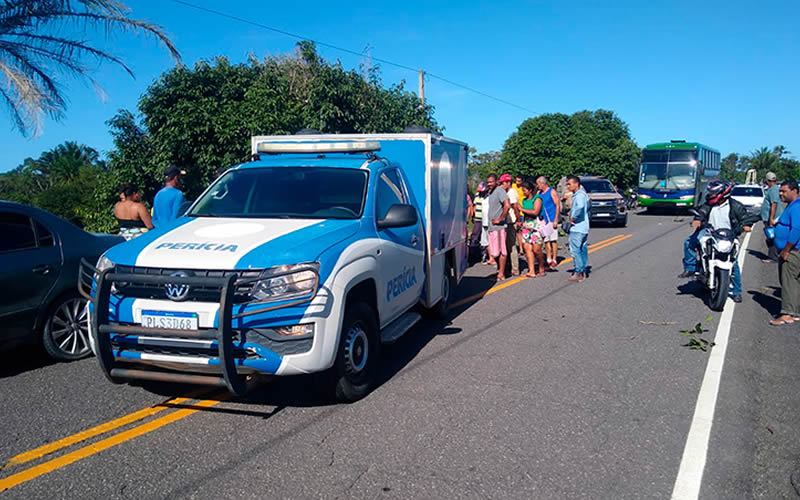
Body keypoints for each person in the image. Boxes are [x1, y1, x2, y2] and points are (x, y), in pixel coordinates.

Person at [679, 180, 756, 303]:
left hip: (729, 235)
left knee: (733, 263)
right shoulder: (709, 204)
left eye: (713, 193)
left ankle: (737, 291)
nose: (710, 195)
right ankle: (691, 267)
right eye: (710, 193)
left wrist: (746, 225)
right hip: (709, 232)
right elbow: (701, 212)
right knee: (689, 242)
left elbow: (745, 218)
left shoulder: (735, 205)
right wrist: (697, 220)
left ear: (722, 193)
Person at [769, 180, 800, 325]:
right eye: (780, 191)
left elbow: (797, 230)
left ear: (794, 191)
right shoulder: (792, 206)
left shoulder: (797, 206)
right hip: (791, 249)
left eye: (784, 191)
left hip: (793, 251)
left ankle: (787, 314)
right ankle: (795, 311)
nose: (781, 194)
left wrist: (786, 250)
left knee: (788, 281)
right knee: (794, 282)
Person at [486, 173, 511, 280]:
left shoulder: (500, 191)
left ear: (496, 182)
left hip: (499, 227)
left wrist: (500, 218)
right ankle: (499, 271)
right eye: (488, 182)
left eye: (491, 182)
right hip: (492, 227)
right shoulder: (491, 192)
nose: (489, 184)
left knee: (501, 251)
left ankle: (501, 273)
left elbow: (507, 204)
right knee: (494, 251)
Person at [518, 181, 545, 278]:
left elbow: (535, 212)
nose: (523, 192)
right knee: (527, 248)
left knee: (537, 249)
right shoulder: (524, 200)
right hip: (526, 225)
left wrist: (521, 209)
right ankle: (531, 270)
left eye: (524, 190)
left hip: (536, 226)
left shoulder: (537, 199)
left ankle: (541, 265)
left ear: (530, 190)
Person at [566, 175, 590, 282]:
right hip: (583, 227)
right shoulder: (583, 195)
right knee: (582, 249)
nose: (568, 186)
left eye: (569, 184)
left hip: (577, 227)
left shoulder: (579, 195)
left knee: (575, 250)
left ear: (576, 184)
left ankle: (579, 272)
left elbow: (580, 207)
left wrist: (573, 217)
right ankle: (583, 269)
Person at [536, 175, 561, 269]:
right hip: (544, 220)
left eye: (538, 184)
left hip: (552, 219)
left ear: (543, 183)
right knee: (546, 240)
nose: (538, 186)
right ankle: (548, 258)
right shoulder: (540, 194)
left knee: (553, 240)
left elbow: (557, 205)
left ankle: (554, 259)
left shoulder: (552, 191)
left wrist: (555, 219)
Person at [760, 172, 784, 262]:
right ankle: (774, 254)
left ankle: (772, 257)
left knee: (771, 237)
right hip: (769, 217)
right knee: (771, 237)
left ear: (767, 180)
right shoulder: (772, 189)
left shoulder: (773, 190)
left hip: (772, 218)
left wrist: (771, 219)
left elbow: (774, 204)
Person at [501, 173, 521, 276]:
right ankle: (509, 266)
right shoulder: (505, 192)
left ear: (508, 182)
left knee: (511, 245)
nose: (502, 185)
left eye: (503, 183)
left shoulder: (511, 192)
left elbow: (515, 207)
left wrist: (518, 220)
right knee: (506, 245)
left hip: (511, 221)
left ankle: (515, 268)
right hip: (506, 221)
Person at [470, 182, 488, 262]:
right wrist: (473, 215)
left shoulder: (487, 196)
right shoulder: (477, 195)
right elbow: (474, 206)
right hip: (477, 218)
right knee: (475, 236)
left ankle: (484, 253)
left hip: (485, 219)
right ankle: (473, 253)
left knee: (485, 237)